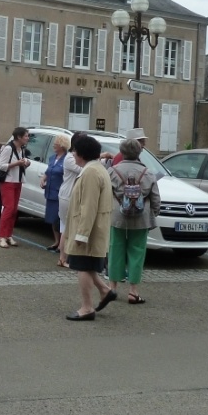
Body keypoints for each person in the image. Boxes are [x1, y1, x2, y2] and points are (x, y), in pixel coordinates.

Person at [103, 137, 162, 308]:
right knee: (137, 252)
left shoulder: (112, 171)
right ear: (139, 152)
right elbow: (156, 198)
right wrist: (154, 212)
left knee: (115, 249)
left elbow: (106, 194)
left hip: (117, 217)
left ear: (121, 152)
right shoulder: (148, 173)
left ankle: (112, 287)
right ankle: (133, 291)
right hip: (141, 218)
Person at [62, 135, 115, 321]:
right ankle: (105, 290)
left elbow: (89, 206)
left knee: (82, 267)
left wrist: (82, 235)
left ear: (81, 154)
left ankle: (87, 307)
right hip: (94, 228)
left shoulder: (91, 172)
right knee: (88, 266)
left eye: (75, 151)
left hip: (89, 231)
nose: (73, 154)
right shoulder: (96, 168)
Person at [0, 127, 31, 249]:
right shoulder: (8, 148)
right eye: (26, 136)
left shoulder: (21, 148)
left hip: (18, 181)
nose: (27, 138)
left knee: (14, 210)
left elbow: (21, 162)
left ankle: (8, 235)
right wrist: (17, 163)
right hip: (8, 181)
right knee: (9, 208)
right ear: (19, 137)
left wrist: (26, 162)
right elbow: (1, 166)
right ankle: (1, 236)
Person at [56, 132, 85, 267]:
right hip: (67, 196)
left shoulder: (73, 157)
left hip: (69, 195)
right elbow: (82, 170)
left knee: (65, 228)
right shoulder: (69, 158)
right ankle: (63, 258)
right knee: (66, 228)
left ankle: (64, 257)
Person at [40, 134, 70, 252]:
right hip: (50, 192)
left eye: (56, 144)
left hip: (60, 193)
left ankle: (62, 244)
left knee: (60, 219)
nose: (54, 146)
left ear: (62, 146)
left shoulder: (67, 159)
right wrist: (43, 179)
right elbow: (48, 171)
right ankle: (57, 241)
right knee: (52, 218)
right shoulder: (52, 158)